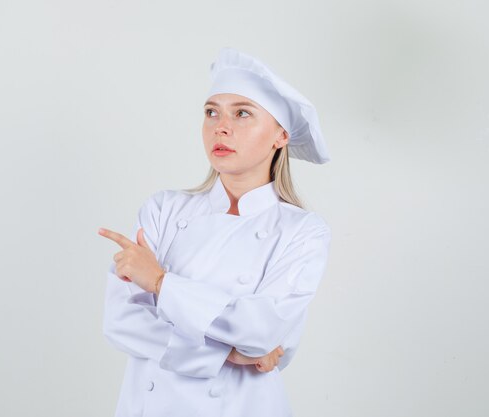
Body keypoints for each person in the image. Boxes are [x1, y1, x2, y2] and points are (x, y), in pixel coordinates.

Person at [98, 47, 332, 417]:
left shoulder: (302, 231)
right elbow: (121, 322)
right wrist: (227, 352)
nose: (220, 127)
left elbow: (261, 330)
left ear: (280, 136)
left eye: (242, 113)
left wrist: (160, 282)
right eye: (211, 112)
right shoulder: (163, 209)